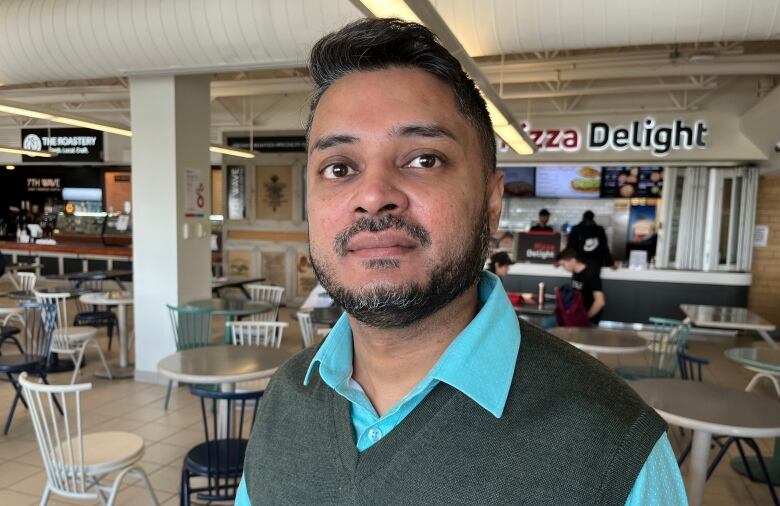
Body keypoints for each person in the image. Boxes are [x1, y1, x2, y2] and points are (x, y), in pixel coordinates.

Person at [237, 18, 685, 505]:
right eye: (339, 168)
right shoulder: (283, 400)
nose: (372, 196)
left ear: (491, 204)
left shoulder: (613, 450)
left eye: (424, 159)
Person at [556, 247, 606, 325]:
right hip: (576, 316)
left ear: (573, 261)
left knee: (547, 324)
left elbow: (600, 302)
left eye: (563, 264)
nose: (563, 267)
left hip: (588, 321)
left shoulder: (591, 274)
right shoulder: (575, 273)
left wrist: (585, 317)